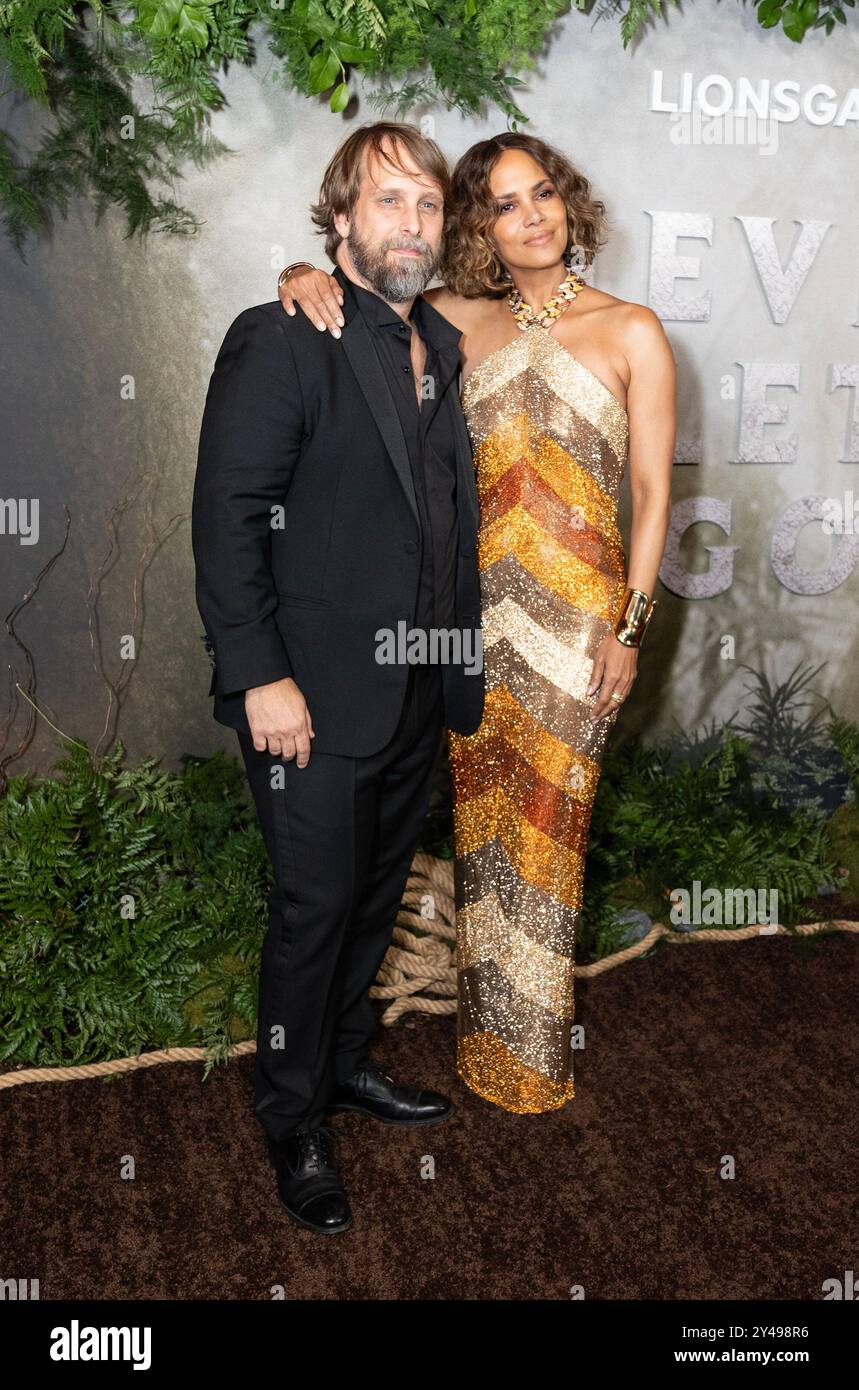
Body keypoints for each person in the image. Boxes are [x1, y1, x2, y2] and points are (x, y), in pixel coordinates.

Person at [277, 131, 675, 1115]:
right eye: (503, 203)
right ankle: (479, 1041)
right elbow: (365, 311)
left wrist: (629, 630)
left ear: (568, 205)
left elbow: (656, 494)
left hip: (581, 633)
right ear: (480, 226)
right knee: (483, 834)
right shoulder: (455, 319)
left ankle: (529, 1055)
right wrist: (299, 276)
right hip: (466, 627)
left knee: (548, 832)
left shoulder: (632, 330)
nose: (530, 214)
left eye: (542, 193)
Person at [191, 122, 484, 1236]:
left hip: (412, 688)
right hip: (306, 698)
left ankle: (346, 1063)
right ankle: (290, 1113)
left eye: (426, 205)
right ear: (341, 218)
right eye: (387, 203)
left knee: (372, 897)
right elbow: (226, 521)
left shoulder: (439, 344)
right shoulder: (282, 336)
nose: (410, 223)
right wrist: (260, 675)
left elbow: (439, 525)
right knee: (314, 910)